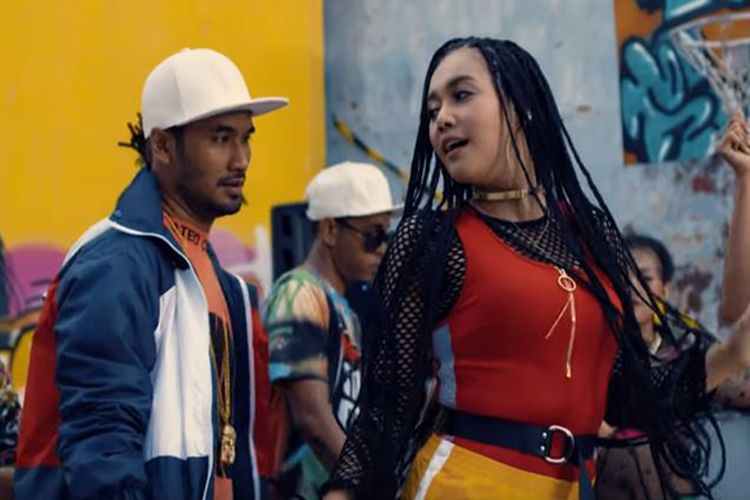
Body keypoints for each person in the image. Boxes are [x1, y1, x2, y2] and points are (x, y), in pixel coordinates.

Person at [320, 37, 750, 500]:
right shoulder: (432, 240)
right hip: (463, 485)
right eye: (432, 109)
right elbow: (386, 405)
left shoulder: (590, 233)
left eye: (461, 94)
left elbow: (632, 396)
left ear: (522, 106)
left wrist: (733, 353)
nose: (441, 118)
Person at [14, 48, 288, 499]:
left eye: (246, 138)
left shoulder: (214, 276)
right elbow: (103, 450)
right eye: (220, 138)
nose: (241, 159)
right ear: (161, 145)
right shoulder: (116, 266)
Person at [264, 161, 400, 499]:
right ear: (328, 230)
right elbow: (313, 419)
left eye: (385, 235)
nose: (382, 248)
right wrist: (369, 486)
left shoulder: (341, 308)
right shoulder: (300, 296)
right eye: (372, 235)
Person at [596, 233, 750, 498]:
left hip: (678, 479)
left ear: (665, 289)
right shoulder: (593, 354)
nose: (631, 287)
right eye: (619, 277)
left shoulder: (684, 352)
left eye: (645, 278)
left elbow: (732, 381)